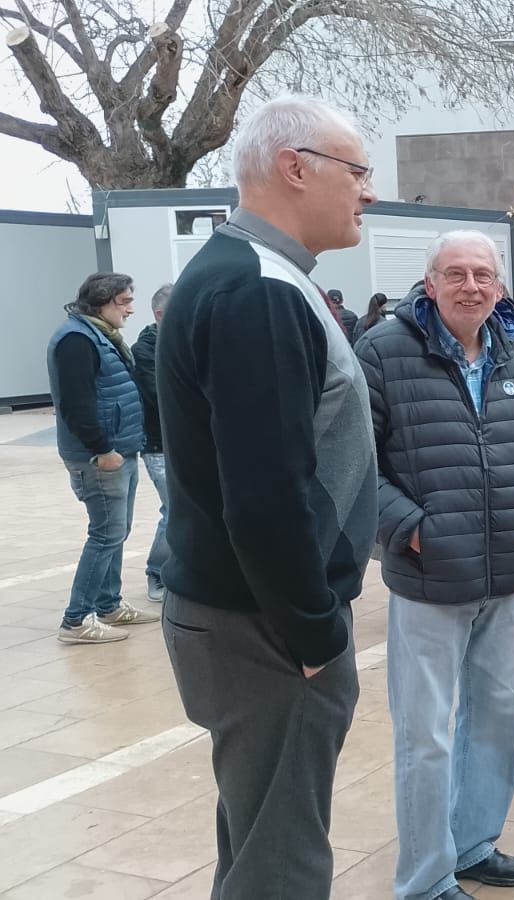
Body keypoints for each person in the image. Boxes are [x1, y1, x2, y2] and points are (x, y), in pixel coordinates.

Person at [156, 95, 379, 899]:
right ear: (295, 168)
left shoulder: (254, 276)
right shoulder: (257, 290)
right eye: (358, 172)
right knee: (281, 864)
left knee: (259, 842)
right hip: (267, 631)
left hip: (253, 618)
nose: (368, 191)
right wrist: (315, 632)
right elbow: (265, 496)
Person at [357, 231, 514, 900]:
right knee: (426, 737)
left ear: (499, 287)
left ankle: (473, 845)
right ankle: (423, 880)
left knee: (497, 719)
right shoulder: (383, 353)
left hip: (508, 577)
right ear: (430, 281)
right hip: (429, 580)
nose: (471, 285)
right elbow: (357, 465)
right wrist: (410, 531)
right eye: (457, 273)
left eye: (484, 274)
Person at [46, 272, 157, 644]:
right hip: (101, 457)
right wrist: (102, 450)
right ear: (103, 303)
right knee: (105, 534)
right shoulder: (76, 340)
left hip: (120, 450)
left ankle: (108, 605)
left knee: (116, 532)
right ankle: (77, 619)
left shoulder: (98, 334)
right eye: (124, 302)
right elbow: (76, 404)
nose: (130, 308)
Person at [132, 283, 173, 603]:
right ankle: (156, 571)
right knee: (173, 510)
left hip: (187, 442)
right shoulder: (145, 349)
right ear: (160, 314)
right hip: (159, 445)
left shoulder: (181, 341)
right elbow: (160, 396)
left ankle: (180, 570)